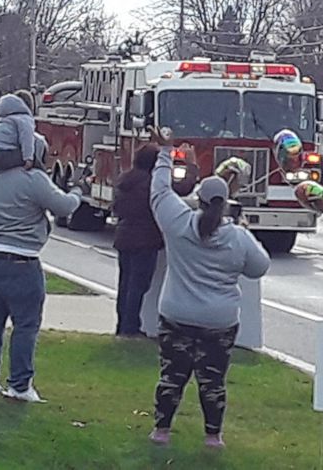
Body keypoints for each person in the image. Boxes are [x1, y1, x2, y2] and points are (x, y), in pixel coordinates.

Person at [148, 127, 271, 449]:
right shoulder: (238, 238)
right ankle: (212, 435)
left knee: (171, 375)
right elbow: (260, 267)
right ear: (226, 204)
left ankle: (161, 430)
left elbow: (159, 192)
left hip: (176, 313)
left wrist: (165, 152)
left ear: (198, 200)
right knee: (213, 380)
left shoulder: (177, 223)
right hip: (219, 319)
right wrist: (244, 232)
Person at [0, 134, 84, 403]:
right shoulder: (33, 179)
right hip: (22, 258)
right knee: (26, 325)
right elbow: (64, 206)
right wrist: (77, 191)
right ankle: (20, 385)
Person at [112, 143, 198, 337]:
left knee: (125, 284)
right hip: (145, 239)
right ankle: (130, 328)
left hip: (124, 236)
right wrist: (191, 165)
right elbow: (182, 188)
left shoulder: (125, 179)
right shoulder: (151, 184)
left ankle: (123, 324)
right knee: (138, 286)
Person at [0, 93, 36, 171]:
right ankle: (43, 180)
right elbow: (27, 139)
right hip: (3, 154)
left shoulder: (4, 120)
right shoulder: (24, 119)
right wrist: (28, 159)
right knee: (35, 159)